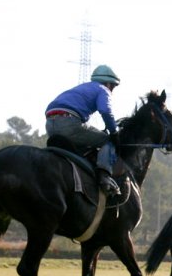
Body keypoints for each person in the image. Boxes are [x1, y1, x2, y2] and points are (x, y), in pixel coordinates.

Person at [45, 64, 121, 196]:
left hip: (50, 123)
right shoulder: (103, 89)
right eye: (113, 86)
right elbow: (105, 111)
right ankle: (104, 177)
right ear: (108, 83)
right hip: (69, 123)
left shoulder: (83, 88)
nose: (112, 90)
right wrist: (114, 132)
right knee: (107, 140)